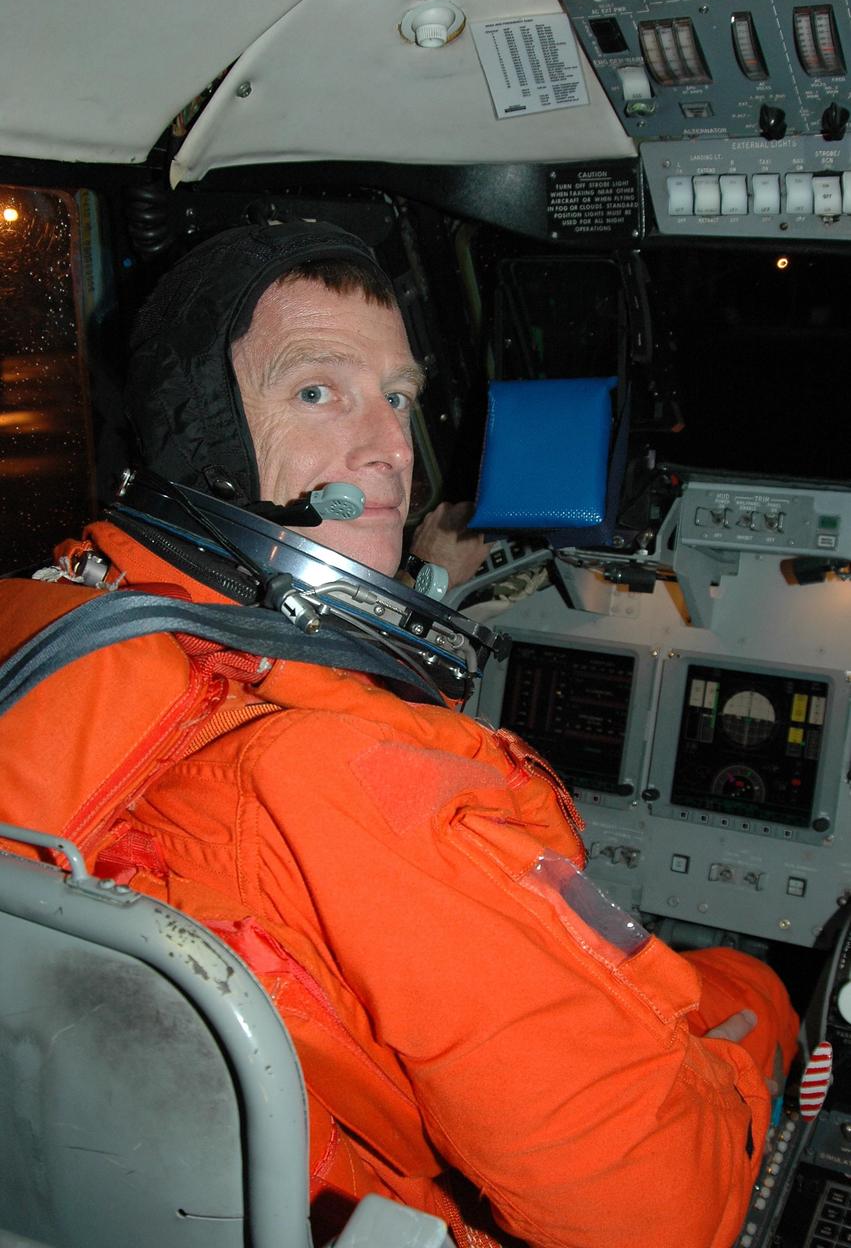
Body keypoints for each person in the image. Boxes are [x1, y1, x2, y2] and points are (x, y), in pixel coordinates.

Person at [0, 221, 797, 1248]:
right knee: (753, 989)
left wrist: (415, 571)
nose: (388, 446)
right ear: (206, 434)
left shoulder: (63, 630)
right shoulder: (344, 776)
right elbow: (656, 1215)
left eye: (398, 396)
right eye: (316, 392)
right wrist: (751, 1030)